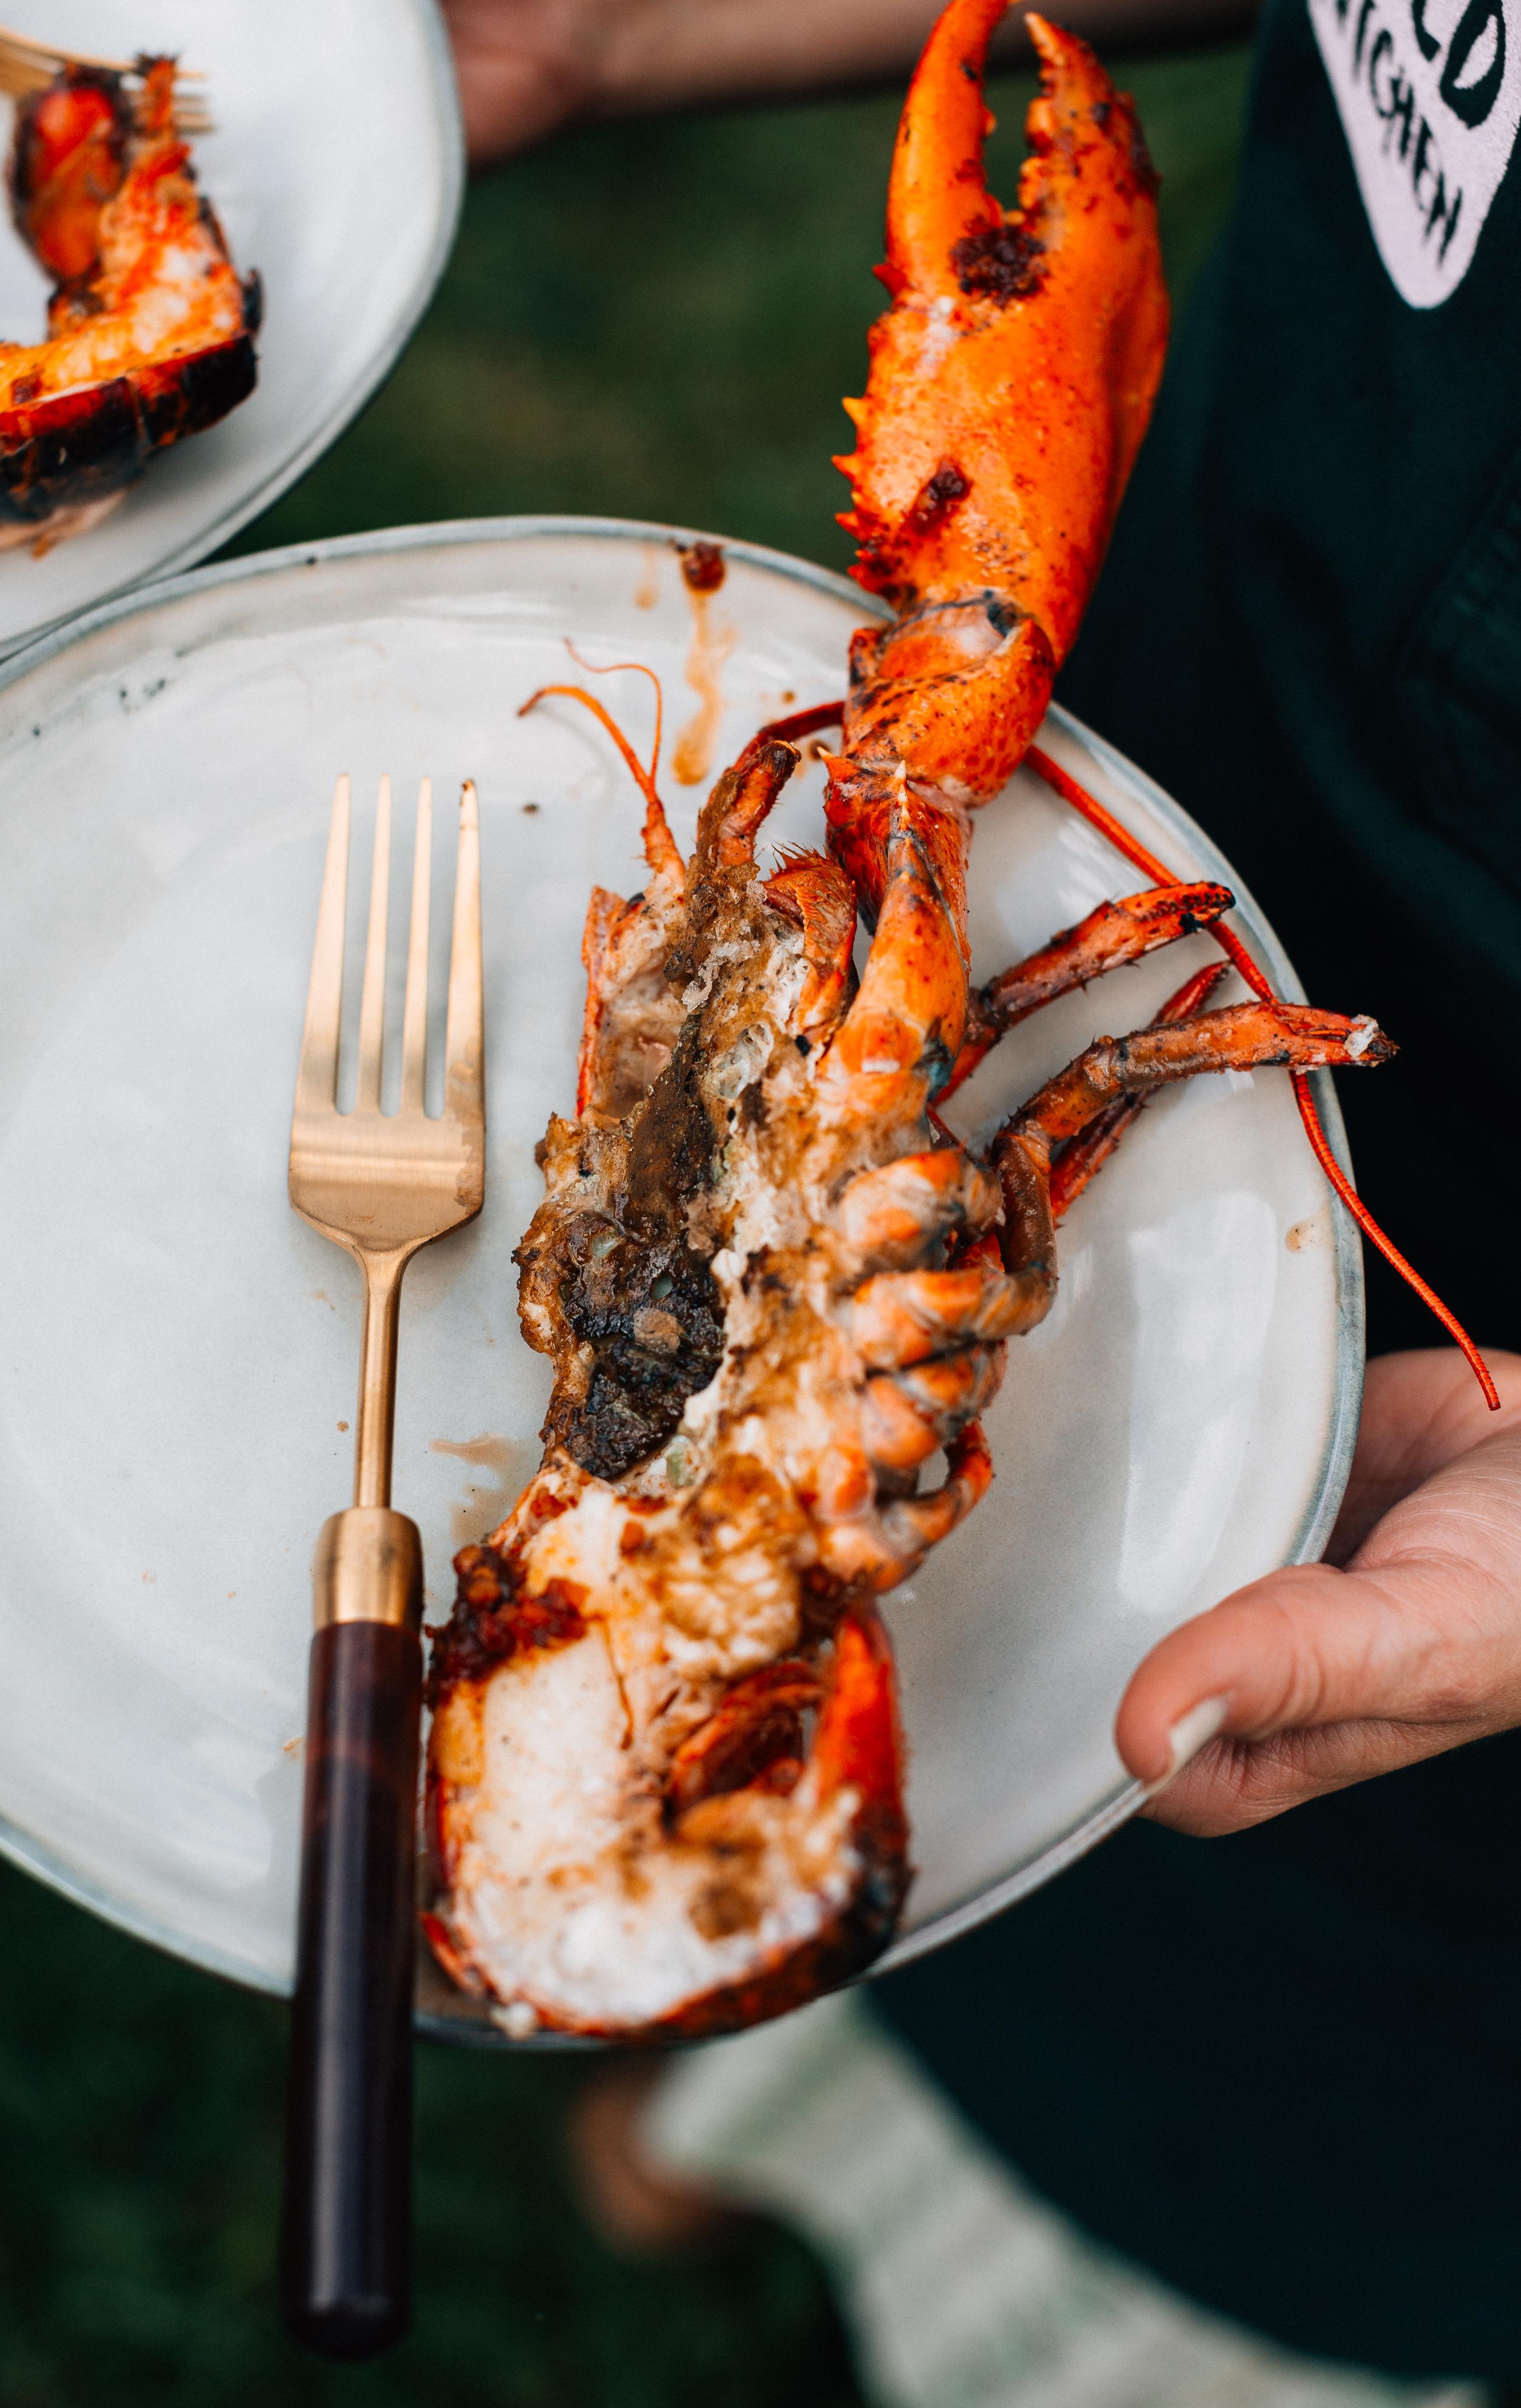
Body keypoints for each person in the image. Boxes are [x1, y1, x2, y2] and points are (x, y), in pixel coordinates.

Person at [441, 0, 1521, 2380]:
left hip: (1432, 1613)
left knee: (1224, 2141)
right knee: (905, 1892)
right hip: (1216, 667)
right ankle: (757, 2095)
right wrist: (607, 28)